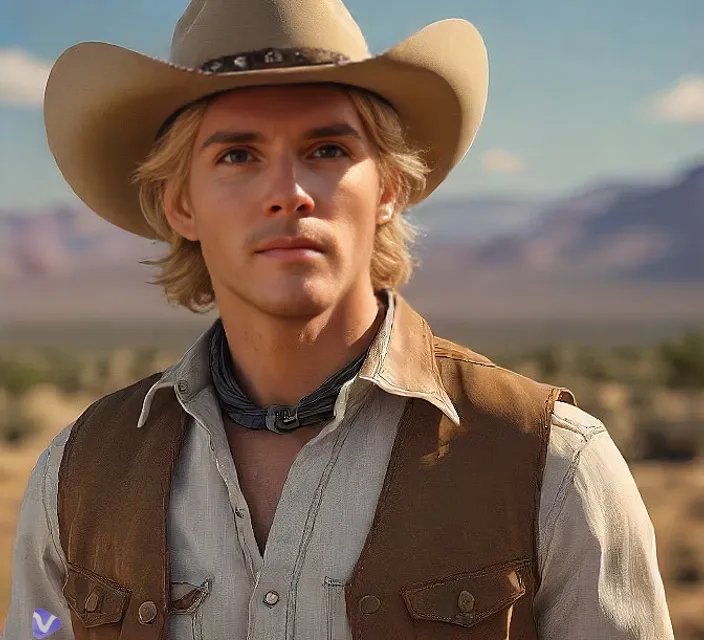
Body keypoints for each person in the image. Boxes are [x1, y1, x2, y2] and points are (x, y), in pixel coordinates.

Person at [3, 0, 674, 638]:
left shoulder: (552, 465)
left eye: (327, 149)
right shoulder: (80, 474)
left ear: (387, 188)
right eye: (237, 155)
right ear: (181, 206)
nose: (288, 193)